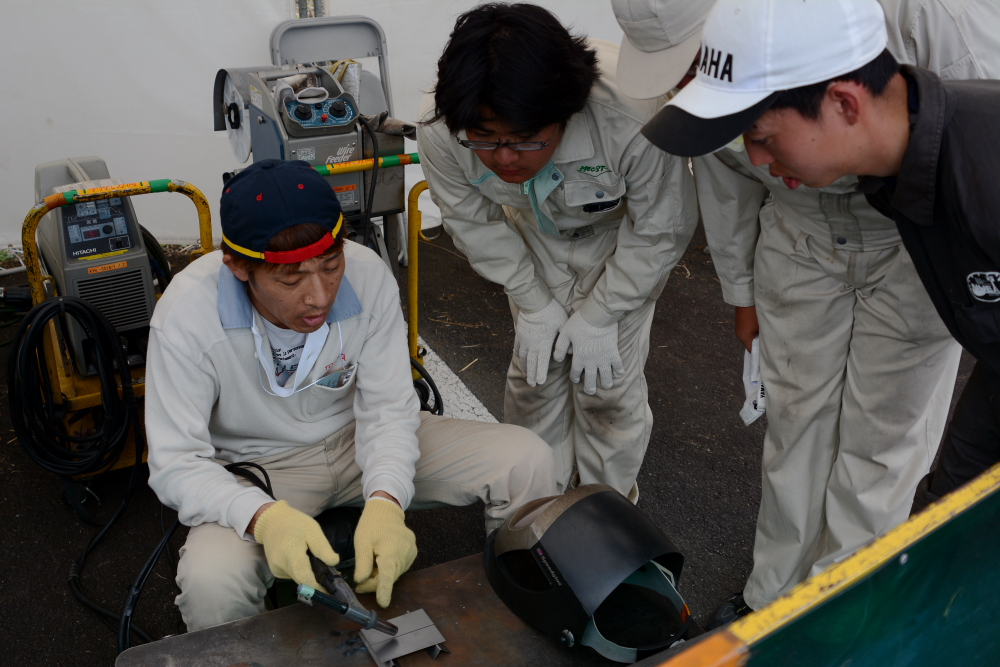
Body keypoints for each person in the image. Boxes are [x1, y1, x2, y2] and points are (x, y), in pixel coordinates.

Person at [640, 0, 1000, 625]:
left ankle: (842, 605)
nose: (751, 154)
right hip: (824, 229)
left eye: (760, 135)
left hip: (915, 235)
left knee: (883, 439)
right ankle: (776, 597)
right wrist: (741, 291)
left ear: (846, 102)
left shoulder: (970, 167)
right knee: (797, 420)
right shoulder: (900, 160)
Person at [145, 159, 556, 631]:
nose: (319, 297)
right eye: (290, 279)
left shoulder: (367, 273)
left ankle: (526, 626)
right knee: (211, 585)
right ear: (237, 266)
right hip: (260, 469)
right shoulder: (187, 315)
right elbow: (176, 462)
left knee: (528, 461)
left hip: (357, 439)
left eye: (330, 265)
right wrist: (260, 517)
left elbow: (387, 409)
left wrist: (385, 499)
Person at [416, 3, 698, 500]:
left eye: (525, 141)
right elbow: (471, 220)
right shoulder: (442, 127)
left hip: (616, 242)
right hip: (528, 237)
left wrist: (602, 313)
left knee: (607, 390)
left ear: (566, 113)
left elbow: (659, 228)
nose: (503, 157)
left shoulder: (635, 114)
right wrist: (533, 301)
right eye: (485, 140)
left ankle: (605, 516)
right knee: (535, 377)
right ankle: (532, 510)